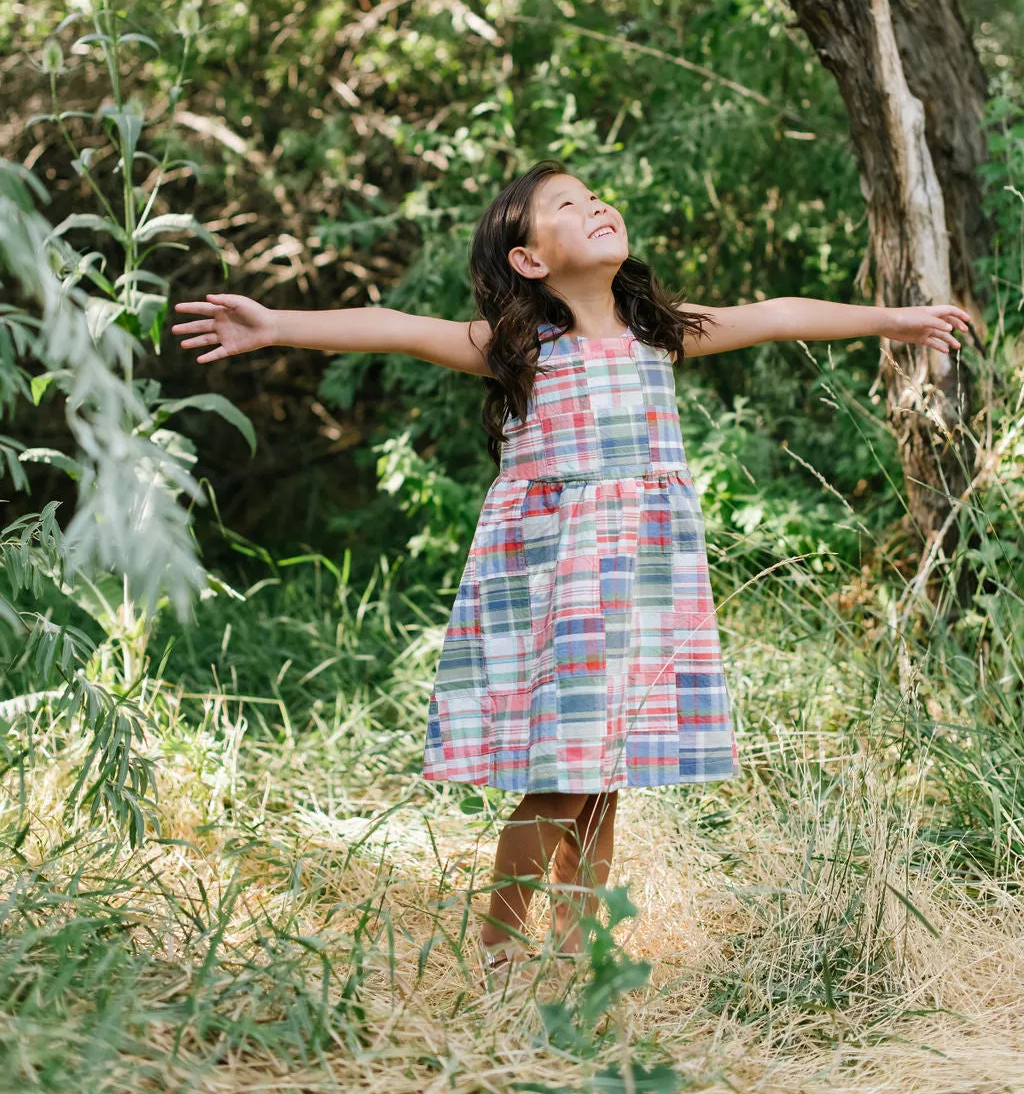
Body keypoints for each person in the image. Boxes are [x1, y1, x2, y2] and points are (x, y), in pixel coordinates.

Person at [173, 159, 969, 990]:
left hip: (645, 587)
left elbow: (776, 315)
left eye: (595, 195)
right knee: (561, 781)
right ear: (529, 260)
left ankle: (581, 948)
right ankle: (500, 954)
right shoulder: (516, 348)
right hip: (565, 589)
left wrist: (899, 320)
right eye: (566, 204)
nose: (596, 205)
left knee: (604, 782)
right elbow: (396, 324)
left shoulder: (659, 333)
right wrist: (273, 324)